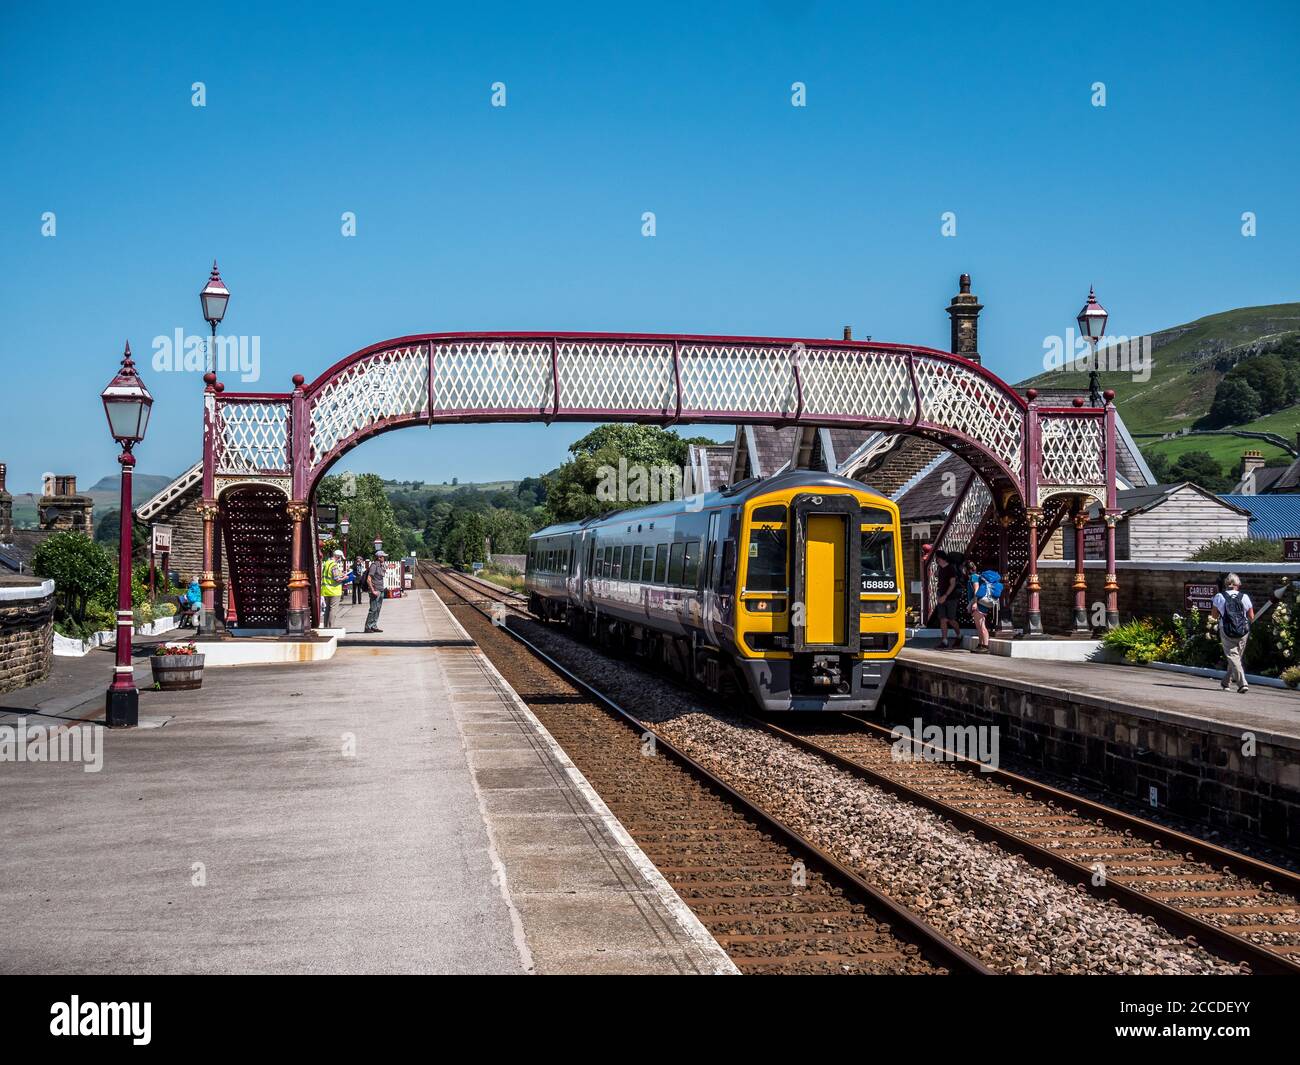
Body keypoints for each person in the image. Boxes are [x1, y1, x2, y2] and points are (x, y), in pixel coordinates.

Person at [1210, 573, 1255, 694]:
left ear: (1226, 584)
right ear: (1238, 584)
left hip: (1226, 629)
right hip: (1243, 631)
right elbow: (1251, 616)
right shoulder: (1244, 597)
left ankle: (1242, 683)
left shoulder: (1219, 596)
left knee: (1233, 657)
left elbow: (1214, 616)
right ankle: (1227, 682)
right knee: (1236, 658)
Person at [964, 559, 998, 653]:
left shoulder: (974, 577)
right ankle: (980, 644)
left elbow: (976, 590)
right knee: (978, 625)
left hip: (979, 604)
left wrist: (974, 603)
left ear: (967, 569)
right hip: (979, 603)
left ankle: (985, 646)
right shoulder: (976, 576)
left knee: (981, 625)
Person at [933, 550, 961, 649]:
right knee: (943, 619)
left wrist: (945, 595)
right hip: (941, 595)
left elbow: (952, 584)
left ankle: (959, 635)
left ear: (940, 558)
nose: (936, 560)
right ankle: (944, 641)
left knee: (951, 619)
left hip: (951, 597)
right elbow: (937, 577)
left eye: (936, 558)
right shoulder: (940, 568)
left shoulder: (950, 568)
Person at [321, 549, 348, 628]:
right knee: (333, 610)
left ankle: (326, 626)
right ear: (337, 557)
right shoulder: (334, 565)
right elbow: (336, 579)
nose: (340, 560)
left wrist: (341, 574)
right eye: (340, 558)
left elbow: (329, 575)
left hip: (326, 590)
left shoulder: (327, 563)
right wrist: (345, 577)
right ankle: (331, 626)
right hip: (334, 590)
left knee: (327, 609)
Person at [365, 550, 388, 633]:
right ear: (379, 557)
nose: (384, 558)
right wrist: (373, 590)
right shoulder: (374, 566)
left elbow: (383, 574)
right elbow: (369, 579)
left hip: (381, 590)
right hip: (375, 590)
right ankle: (368, 627)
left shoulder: (381, 565)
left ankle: (374, 625)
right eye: (383, 557)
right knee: (373, 609)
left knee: (378, 609)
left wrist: (383, 566)